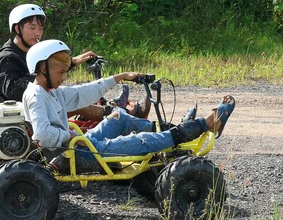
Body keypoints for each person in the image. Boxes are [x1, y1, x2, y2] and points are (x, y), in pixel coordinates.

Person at [22, 40, 234, 173]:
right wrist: (68, 135)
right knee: (138, 142)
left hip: (77, 145)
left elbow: (85, 91)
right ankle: (201, 126)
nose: (64, 77)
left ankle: (171, 130)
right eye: (61, 72)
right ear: (42, 69)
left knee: (118, 116)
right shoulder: (36, 96)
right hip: (71, 154)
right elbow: (41, 135)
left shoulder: (52, 91)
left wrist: (120, 77)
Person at [0, 4, 148, 118]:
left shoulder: (32, 51)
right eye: (32, 28)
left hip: (39, 101)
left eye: (40, 29)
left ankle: (113, 106)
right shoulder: (7, 57)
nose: (37, 33)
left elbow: (44, 72)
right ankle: (127, 114)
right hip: (25, 110)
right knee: (78, 103)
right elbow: (12, 90)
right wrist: (49, 78)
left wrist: (71, 63)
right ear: (17, 29)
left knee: (70, 94)